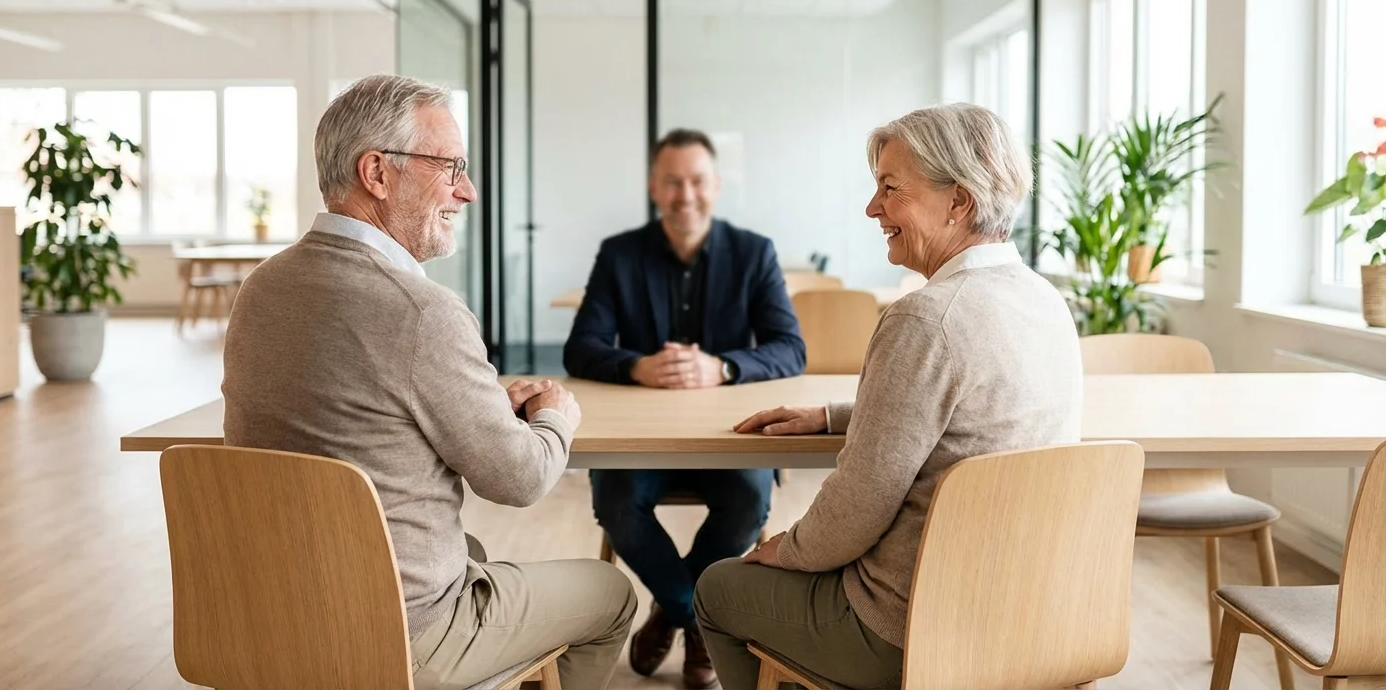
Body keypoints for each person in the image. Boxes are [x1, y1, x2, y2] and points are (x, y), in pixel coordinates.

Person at [222, 74, 637, 690]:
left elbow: (354, 412)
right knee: (611, 595)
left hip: (270, 619)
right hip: (398, 632)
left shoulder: (261, 289)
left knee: (474, 553)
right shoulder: (421, 311)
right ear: (378, 173)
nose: (466, 191)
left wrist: (469, 402)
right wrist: (554, 416)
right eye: (449, 167)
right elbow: (521, 478)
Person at [693, 103, 1084, 689]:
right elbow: (974, 416)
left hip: (913, 629)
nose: (872, 207)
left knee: (719, 587)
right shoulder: (1043, 300)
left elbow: (853, 516)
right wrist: (834, 417)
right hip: (1030, 614)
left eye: (890, 187)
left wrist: (783, 549)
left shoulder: (927, 319)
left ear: (959, 201)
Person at [563, 128, 806, 689]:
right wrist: (636, 366)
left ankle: (671, 610)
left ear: (716, 187)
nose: (685, 195)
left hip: (727, 432)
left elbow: (790, 347)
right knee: (617, 501)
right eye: (672, 182)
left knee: (749, 497)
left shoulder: (754, 252)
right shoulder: (620, 253)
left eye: (697, 181)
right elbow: (582, 347)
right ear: (654, 187)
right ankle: (696, 621)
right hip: (640, 437)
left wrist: (721, 366)